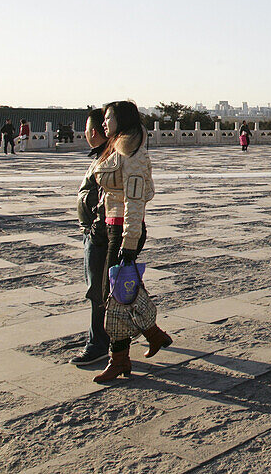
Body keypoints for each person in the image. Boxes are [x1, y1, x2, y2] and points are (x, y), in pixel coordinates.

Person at [92, 100, 172, 383]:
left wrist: (128, 243)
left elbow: (135, 201)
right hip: (110, 226)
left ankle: (119, 359)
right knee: (125, 292)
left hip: (124, 231)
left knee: (112, 297)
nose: (104, 123)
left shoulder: (133, 152)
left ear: (122, 120)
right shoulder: (117, 144)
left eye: (108, 118)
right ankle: (153, 334)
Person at [71, 108, 111, 367]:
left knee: (99, 292)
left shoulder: (109, 160)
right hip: (98, 232)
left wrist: (96, 232)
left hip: (101, 235)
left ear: (93, 132)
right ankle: (151, 332)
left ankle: (98, 344)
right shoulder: (103, 156)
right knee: (119, 288)